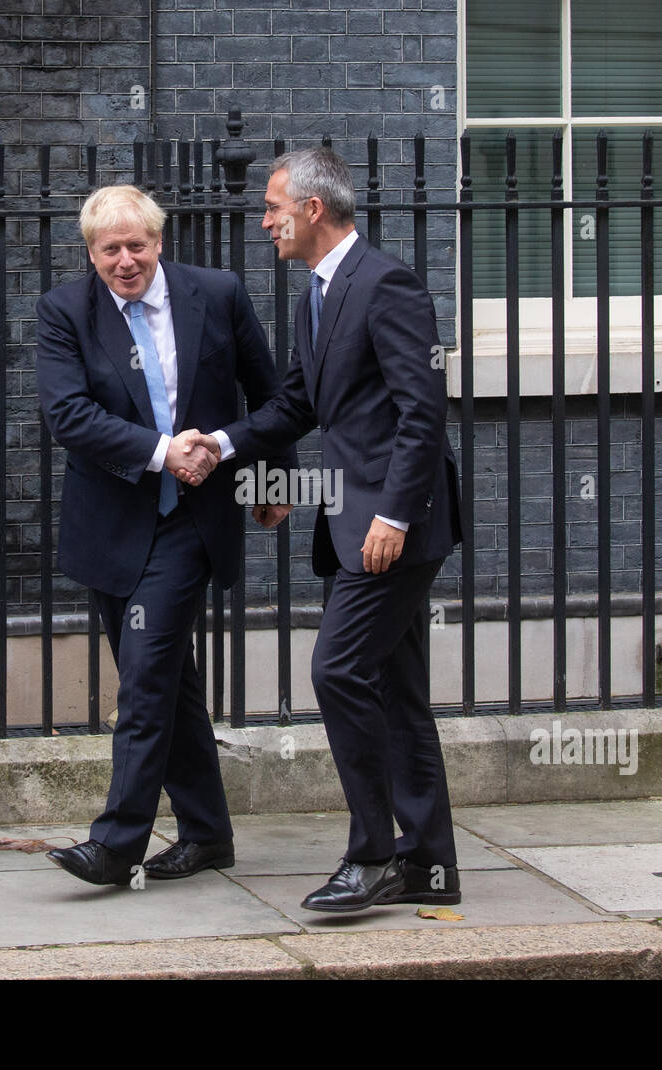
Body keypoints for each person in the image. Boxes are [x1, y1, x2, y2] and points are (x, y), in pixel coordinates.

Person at [179, 147, 463, 913]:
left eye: (273, 207)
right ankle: (429, 864)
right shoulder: (315, 295)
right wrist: (226, 444)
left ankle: (372, 854)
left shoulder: (386, 284)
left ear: (311, 209)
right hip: (356, 523)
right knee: (398, 694)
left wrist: (394, 514)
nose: (265, 220)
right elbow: (298, 404)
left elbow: (421, 412)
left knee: (338, 671)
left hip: (390, 527)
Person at [36, 185, 292, 887]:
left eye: (137, 246)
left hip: (192, 522)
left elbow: (268, 393)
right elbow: (69, 416)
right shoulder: (66, 312)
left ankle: (116, 844)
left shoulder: (218, 293)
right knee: (170, 684)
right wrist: (161, 451)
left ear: (159, 241)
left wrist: (271, 484)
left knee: (145, 680)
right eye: (110, 249)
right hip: (113, 526)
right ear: (91, 253)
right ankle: (208, 835)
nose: (126, 261)